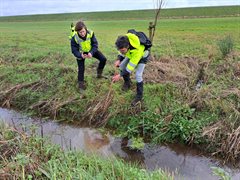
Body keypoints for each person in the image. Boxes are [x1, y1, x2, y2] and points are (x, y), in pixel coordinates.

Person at [112, 32, 150, 106]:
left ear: (128, 46)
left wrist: (119, 76)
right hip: (131, 53)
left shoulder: (137, 51)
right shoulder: (124, 39)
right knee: (122, 66)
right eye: (120, 50)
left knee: (138, 75)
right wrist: (119, 59)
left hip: (142, 56)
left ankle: (139, 96)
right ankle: (127, 83)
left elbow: (129, 68)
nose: (121, 52)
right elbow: (121, 52)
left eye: (122, 50)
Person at [70, 20, 107, 91]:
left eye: (83, 31)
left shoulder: (91, 33)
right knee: (81, 69)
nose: (82, 33)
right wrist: (80, 55)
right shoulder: (74, 38)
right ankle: (81, 85)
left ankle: (99, 75)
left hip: (91, 50)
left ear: (85, 29)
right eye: (80, 32)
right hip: (81, 53)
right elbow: (74, 50)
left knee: (103, 59)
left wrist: (91, 52)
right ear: (77, 32)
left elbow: (95, 44)